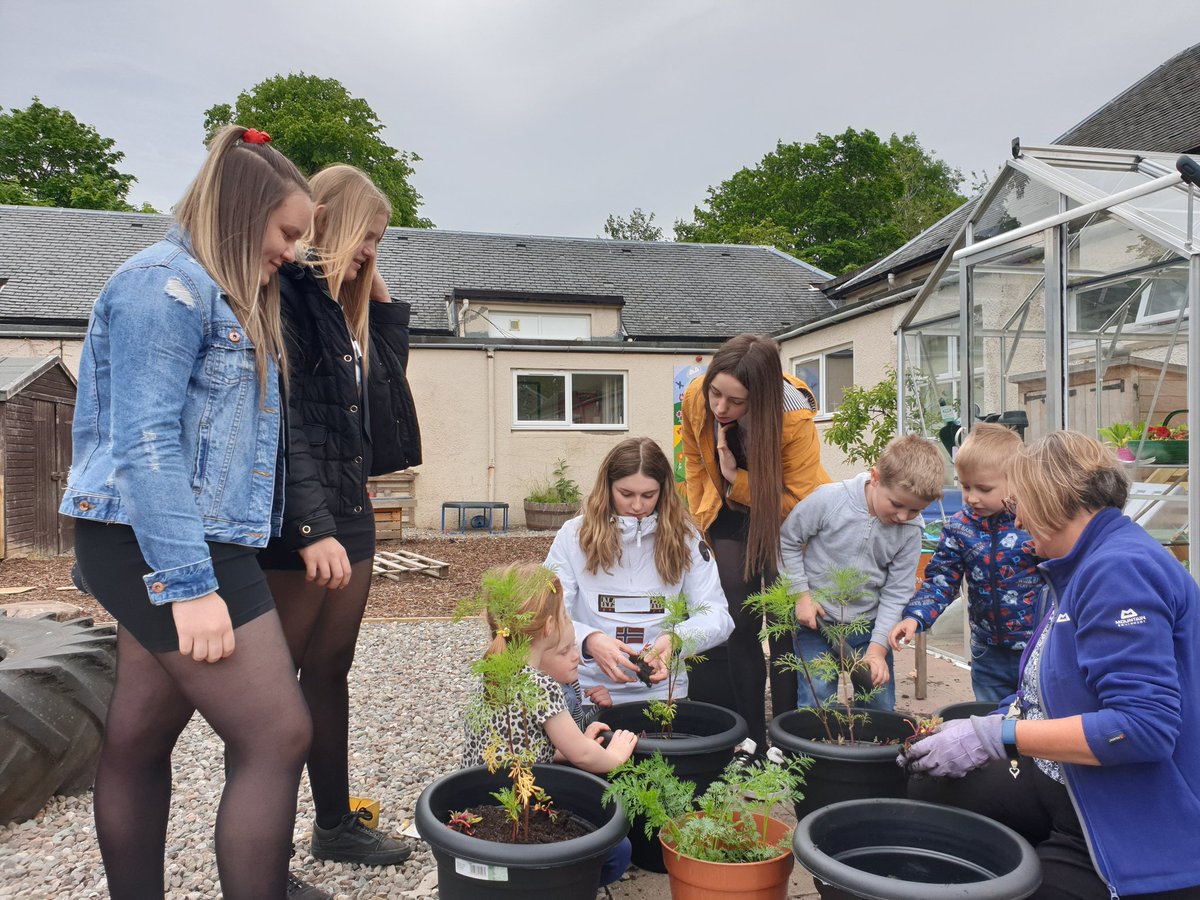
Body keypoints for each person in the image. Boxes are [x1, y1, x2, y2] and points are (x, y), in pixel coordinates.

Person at [60, 126, 320, 900]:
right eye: (286, 232)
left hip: (180, 535)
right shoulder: (161, 286)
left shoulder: (222, 290)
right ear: (241, 215)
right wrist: (190, 584)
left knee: (140, 735)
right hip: (158, 539)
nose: (294, 251)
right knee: (278, 734)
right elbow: (144, 443)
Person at [902, 431, 1200, 899]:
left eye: (1022, 504)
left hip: (1127, 818)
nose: (1017, 518)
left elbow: (1143, 728)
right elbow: (1054, 687)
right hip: (1078, 783)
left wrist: (997, 735)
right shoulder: (1082, 565)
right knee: (930, 787)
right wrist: (996, 717)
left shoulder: (1119, 571)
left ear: (1052, 501)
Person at [255, 164, 421, 871]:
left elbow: (388, 382)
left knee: (329, 670)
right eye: (367, 236)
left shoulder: (343, 309)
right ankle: (258, 858)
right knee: (277, 691)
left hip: (350, 511)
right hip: (299, 521)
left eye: (379, 242)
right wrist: (310, 527)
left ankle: (333, 826)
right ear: (333, 221)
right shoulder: (286, 294)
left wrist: (370, 279)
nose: (370, 252)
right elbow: (284, 419)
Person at [679, 334, 830, 749]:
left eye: (736, 401)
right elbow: (693, 457)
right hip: (729, 512)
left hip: (787, 519)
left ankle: (784, 737)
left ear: (760, 397)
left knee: (782, 624)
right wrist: (699, 515)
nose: (720, 408)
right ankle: (751, 739)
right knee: (738, 622)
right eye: (716, 393)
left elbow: (798, 500)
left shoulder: (793, 416)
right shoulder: (697, 395)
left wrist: (736, 480)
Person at [462, 564, 638, 888]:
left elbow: (515, 746)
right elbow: (583, 755)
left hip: (476, 806)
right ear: (550, 626)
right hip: (520, 805)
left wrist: (561, 750)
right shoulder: (540, 684)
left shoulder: (491, 672)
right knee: (617, 850)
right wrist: (614, 755)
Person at [545, 437, 734, 708]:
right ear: (607, 488)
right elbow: (547, 613)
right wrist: (589, 640)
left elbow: (716, 615)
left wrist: (677, 639)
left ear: (664, 491)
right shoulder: (573, 536)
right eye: (626, 494)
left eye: (648, 495)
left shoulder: (686, 537)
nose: (637, 506)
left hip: (664, 691)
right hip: (586, 689)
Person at [780, 434, 945, 711]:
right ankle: (820, 751)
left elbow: (897, 591)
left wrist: (877, 650)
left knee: (879, 701)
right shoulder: (830, 500)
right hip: (817, 622)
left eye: (915, 509)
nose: (903, 516)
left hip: (869, 627)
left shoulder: (910, 530)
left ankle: (878, 753)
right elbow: (788, 539)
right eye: (896, 504)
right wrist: (801, 597)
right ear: (876, 477)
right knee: (818, 697)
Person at [888, 424, 1043, 701]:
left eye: (983, 488)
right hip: (987, 652)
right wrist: (915, 617)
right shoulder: (960, 528)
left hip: (1038, 648)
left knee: (1037, 722)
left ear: (1016, 481)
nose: (972, 497)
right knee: (991, 723)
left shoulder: (1034, 523)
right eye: (965, 486)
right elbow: (941, 582)